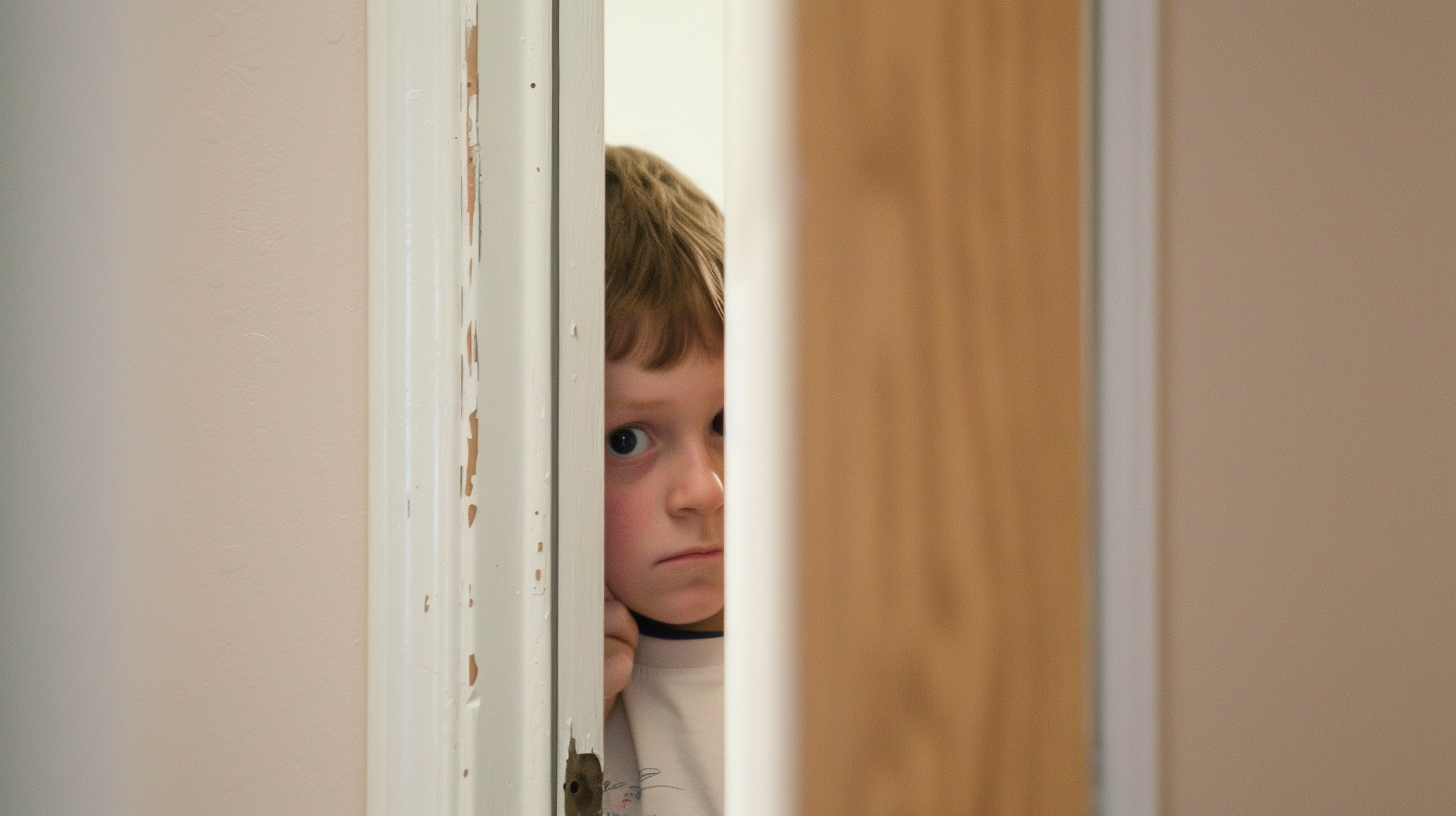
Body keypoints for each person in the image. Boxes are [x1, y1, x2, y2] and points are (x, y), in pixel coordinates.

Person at [600, 145, 725, 816]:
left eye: (727, 423)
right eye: (627, 441)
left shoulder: (837, 661)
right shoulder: (556, 708)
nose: (705, 492)